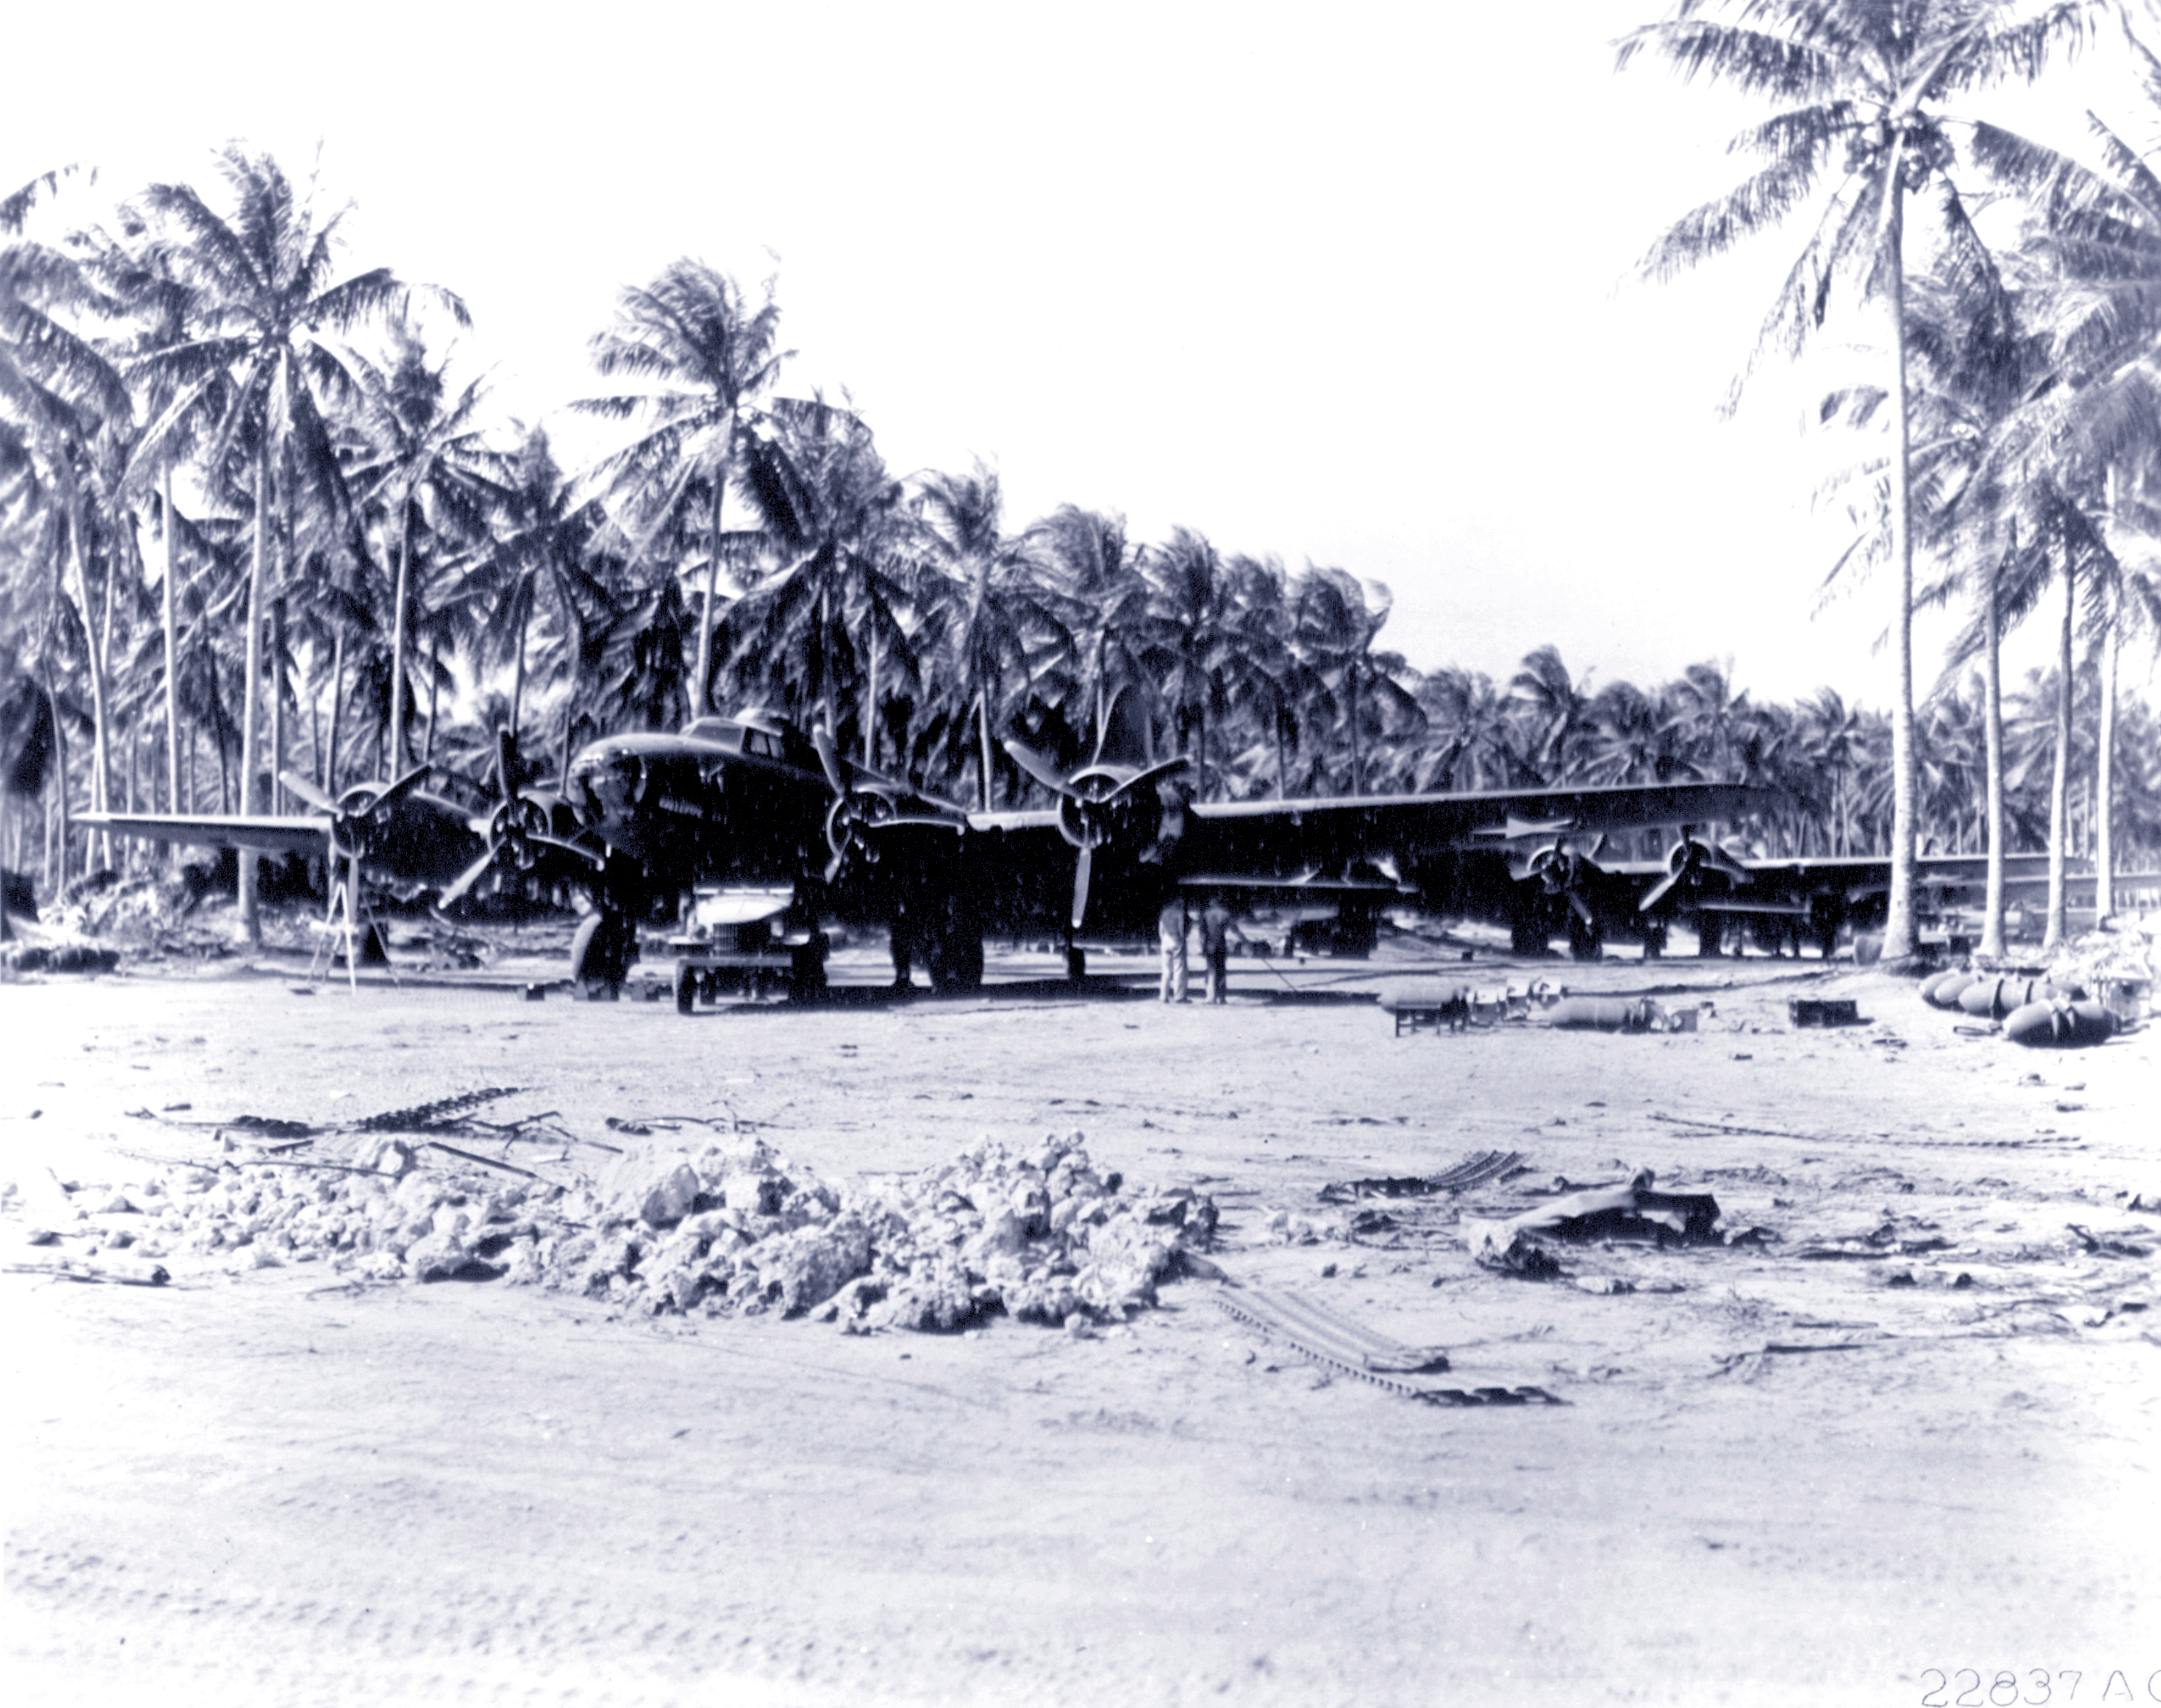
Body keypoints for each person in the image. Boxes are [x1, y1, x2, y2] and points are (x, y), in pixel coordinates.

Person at [1199, 893, 1233, 1004]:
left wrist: (1202, 946)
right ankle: (1222, 997)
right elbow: (1233, 928)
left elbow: (1202, 933)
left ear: (1211, 903)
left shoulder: (1206, 914)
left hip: (1210, 945)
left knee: (1211, 971)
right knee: (1222, 971)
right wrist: (1245, 941)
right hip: (1221, 944)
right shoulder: (1225, 914)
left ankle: (1210, 997)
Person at [1157, 893, 1189, 1003]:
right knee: (1179, 969)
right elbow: (1181, 928)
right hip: (1176, 939)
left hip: (1166, 940)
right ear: (1178, 903)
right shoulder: (1179, 913)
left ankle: (1163, 996)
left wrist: (1163, 940)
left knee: (1166, 970)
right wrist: (1182, 939)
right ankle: (1179, 996)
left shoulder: (1164, 913)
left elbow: (1161, 929)